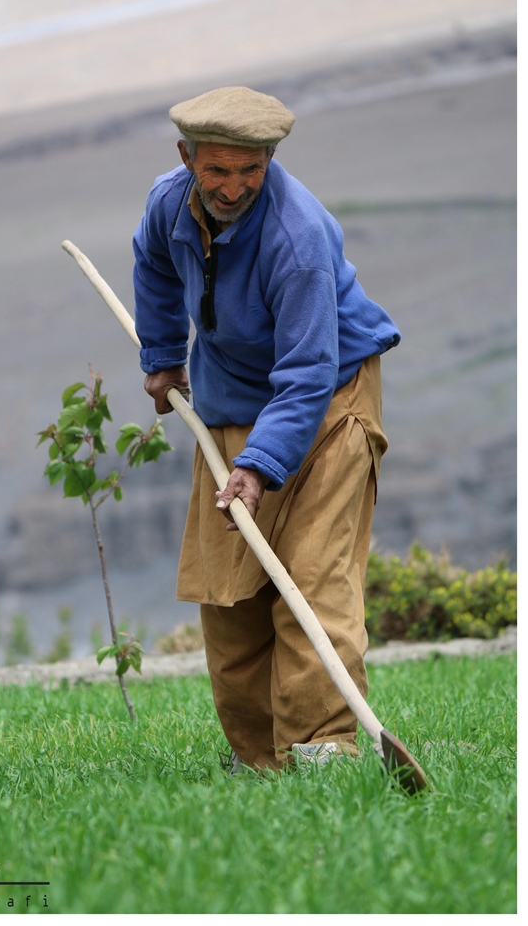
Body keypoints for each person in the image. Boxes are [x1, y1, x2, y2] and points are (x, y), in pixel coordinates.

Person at [133, 86, 400, 772]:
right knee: (230, 588)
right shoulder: (168, 202)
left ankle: (325, 749)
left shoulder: (298, 237)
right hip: (230, 399)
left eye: (251, 169)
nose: (234, 186)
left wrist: (259, 465)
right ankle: (260, 758)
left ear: (269, 159)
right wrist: (163, 356)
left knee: (313, 575)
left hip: (331, 397)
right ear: (185, 156)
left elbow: (310, 368)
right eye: (218, 169)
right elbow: (155, 266)